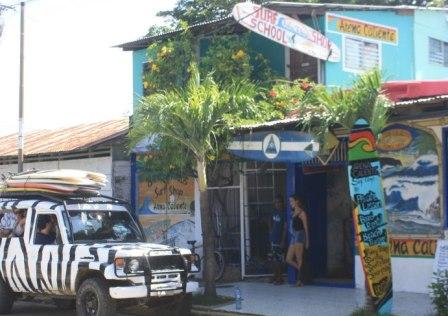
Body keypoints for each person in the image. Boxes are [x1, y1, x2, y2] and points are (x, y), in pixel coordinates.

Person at [286, 194, 309, 287]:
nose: (290, 203)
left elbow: (306, 227)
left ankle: (300, 280)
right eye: (290, 201)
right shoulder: (293, 213)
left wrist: (307, 241)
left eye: (292, 201)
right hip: (293, 236)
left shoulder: (302, 213)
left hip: (300, 235)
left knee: (299, 259)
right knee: (288, 259)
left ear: (297, 201)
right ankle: (303, 273)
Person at [268, 195, 287, 285]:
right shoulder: (274, 212)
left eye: (279, 202)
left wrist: (283, 240)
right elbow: (270, 222)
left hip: (279, 240)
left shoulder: (284, 213)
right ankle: (275, 275)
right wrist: (270, 231)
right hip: (273, 239)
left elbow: (285, 228)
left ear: (282, 203)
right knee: (273, 259)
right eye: (275, 202)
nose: (277, 204)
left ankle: (280, 277)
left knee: (278, 259)